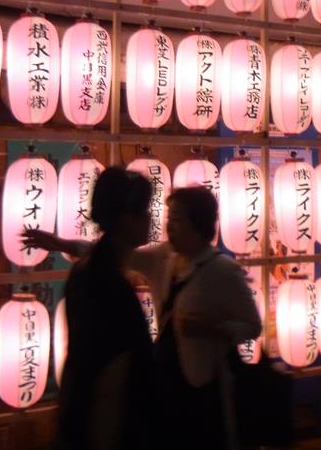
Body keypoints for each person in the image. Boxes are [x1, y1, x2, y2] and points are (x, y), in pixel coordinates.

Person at [28, 184, 261, 450]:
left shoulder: (222, 270)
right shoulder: (165, 257)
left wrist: (215, 328)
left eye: (176, 219)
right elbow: (118, 253)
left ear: (197, 222)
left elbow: (253, 326)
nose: (168, 226)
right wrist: (62, 244)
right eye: (168, 218)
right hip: (167, 379)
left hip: (205, 383)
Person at [57, 166, 159, 450]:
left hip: (79, 420)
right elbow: (111, 381)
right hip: (111, 431)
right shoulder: (111, 287)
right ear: (127, 219)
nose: (150, 218)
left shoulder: (85, 271)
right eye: (144, 210)